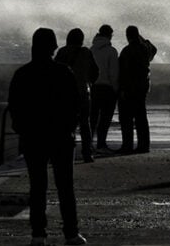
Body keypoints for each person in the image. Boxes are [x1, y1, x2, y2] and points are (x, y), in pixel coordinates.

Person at [8, 28, 87, 246]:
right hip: (61, 137)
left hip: (33, 138)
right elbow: (75, 104)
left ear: (34, 46)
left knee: (37, 186)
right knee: (65, 186)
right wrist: (70, 127)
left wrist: (23, 130)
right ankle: (71, 233)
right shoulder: (64, 72)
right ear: (53, 47)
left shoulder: (22, 74)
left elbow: (15, 107)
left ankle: (38, 234)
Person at [56, 28, 99, 163]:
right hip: (83, 92)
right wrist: (88, 83)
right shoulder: (86, 52)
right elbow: (95, 72)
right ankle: (87, 153)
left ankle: (65, 153)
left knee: (65, 124)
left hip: (66, 94)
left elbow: (55, 71)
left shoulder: (62, 52)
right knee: (85, 124)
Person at [118, 25, 157, 154]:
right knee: (141, 116)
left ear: (127, 36)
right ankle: (144, 145)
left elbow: (122, 71)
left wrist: (121, 88)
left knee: (126, 118)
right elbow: (154, 49)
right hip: (143, 86)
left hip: (129, 87)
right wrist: (140, 38)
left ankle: (127, 145)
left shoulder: (126, 51)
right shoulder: (145, 49)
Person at [90, 24, 119, 153]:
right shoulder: (111, 51)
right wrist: (116, 88)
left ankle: (89, 144)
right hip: (107, 88)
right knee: (105, 118)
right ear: (109, 35)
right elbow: (113, 73)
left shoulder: (91, 49)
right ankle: (101, 144)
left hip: (94, 88)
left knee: (93, 117)